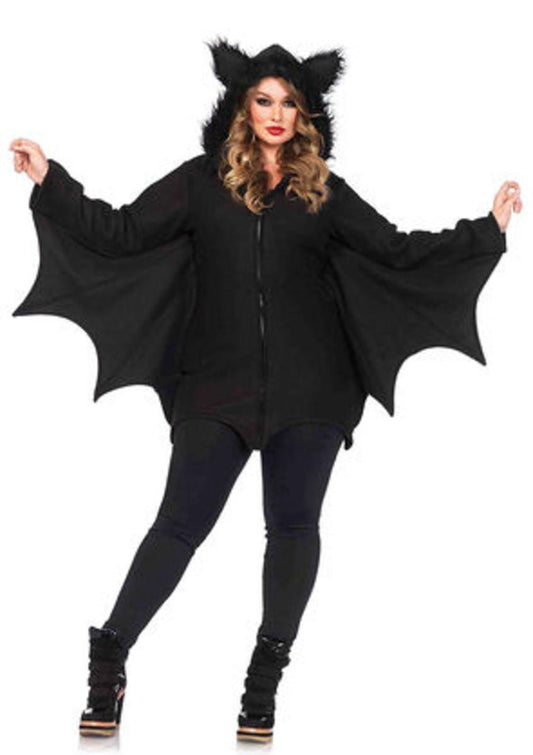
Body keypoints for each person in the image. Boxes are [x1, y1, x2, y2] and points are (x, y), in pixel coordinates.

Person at [9, 39, 520, 744]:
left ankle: (263, 680)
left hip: (313, 388)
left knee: (293, 527)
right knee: (178, 525)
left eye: (288, 103)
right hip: (213, 385)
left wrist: (484, 230)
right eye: (263, 100)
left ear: (304, 115)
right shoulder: (201, 182)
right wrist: (51, 180)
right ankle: (111, 656)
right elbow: (120, 231)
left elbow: (397, 249)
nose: (276, 114)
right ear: (242, 107)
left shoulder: (322, 190)